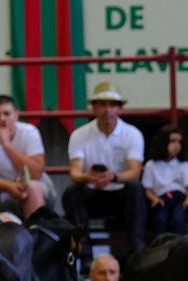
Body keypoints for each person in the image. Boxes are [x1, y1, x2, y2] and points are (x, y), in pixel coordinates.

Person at [63, 81, 146, 258]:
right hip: (93, 194)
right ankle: (83, 251)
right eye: (102, 104)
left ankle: (136, 250)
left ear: (119, 109)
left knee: (136, 189)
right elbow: (75, 171)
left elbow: (135, 172)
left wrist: (113, 176)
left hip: (120, 195)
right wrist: (89, 177)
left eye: (112, 105)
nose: (107, 110)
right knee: (72, 192)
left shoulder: (132, 134)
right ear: (94, 108)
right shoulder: (79, 135)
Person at [0, 94, 53, 218]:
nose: (2, 118)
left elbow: (36, 173)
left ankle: (35, 233)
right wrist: (9, 186)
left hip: (35, 187)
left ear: (16, 115)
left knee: (33, 188)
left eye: (6, 113)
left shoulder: (30, 132)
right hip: (0, 188)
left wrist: (7, 145)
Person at [142, 124, 188, 239]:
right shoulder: (151, 165)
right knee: (160, 220)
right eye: (172, 141)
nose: (176, 145)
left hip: (179, 198)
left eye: (179, 142)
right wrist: (154, 199)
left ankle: (181, 246)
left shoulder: (183, 164)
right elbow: (148, 189)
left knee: (179, 219)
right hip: (162, 199)